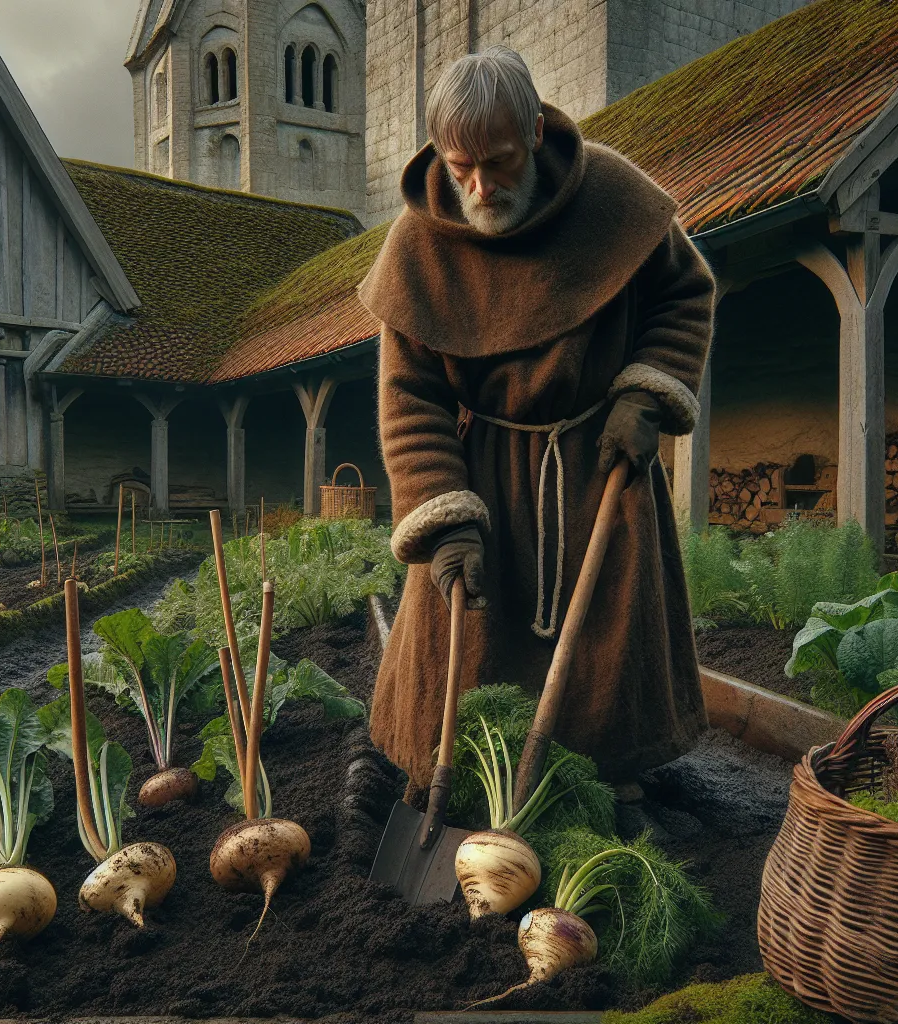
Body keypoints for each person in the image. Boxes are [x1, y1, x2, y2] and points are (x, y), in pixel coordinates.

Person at [362, 45, 716, 799]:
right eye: (462, 170)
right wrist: (445, 519)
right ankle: (453, 778)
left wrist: (644, 395)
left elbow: (685, 295)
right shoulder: (417, 247)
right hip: (480, 474)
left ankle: (607, 780)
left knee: (608, 643)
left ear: (531, 132)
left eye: (498, 163)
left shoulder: (614, 197)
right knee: (468, 646)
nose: (481, 187)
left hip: (601, 458)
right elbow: (410, 394)